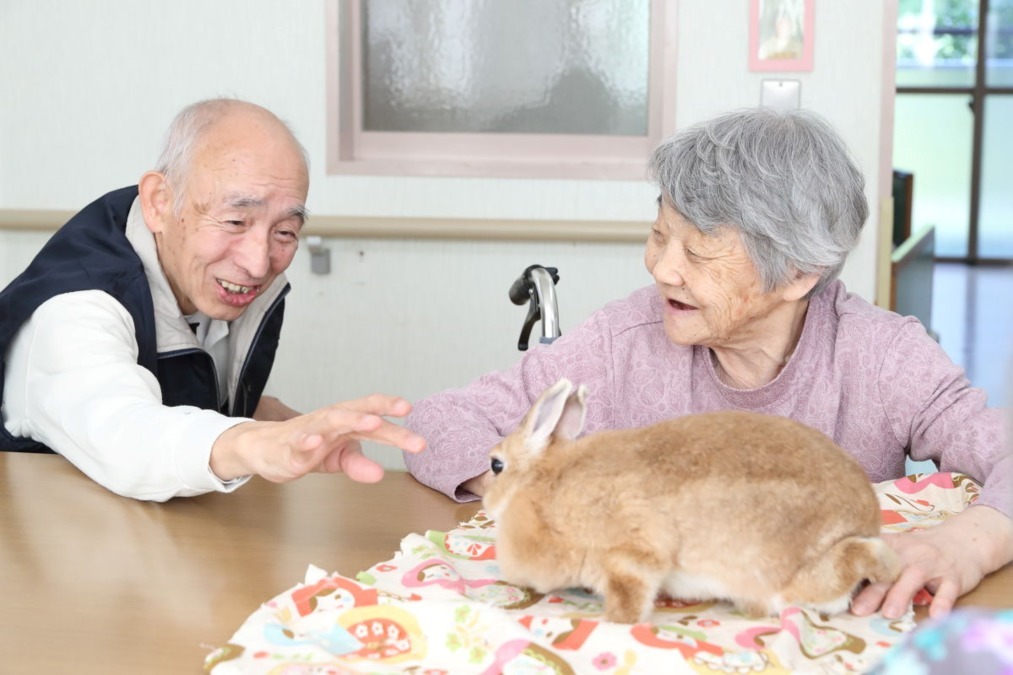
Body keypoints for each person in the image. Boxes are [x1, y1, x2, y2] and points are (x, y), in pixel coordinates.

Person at [403, 107, 1012, 621]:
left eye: (697, 252)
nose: (662, 268)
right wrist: (524, 489)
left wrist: (969, 542)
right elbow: (434, 422)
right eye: (658, 234)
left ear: (799, 274)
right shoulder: (625, 342)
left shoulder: (882, 358)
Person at [0, 98, 424, 500]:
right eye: (236, 220)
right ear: (159, 202)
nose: (258, 263)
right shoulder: (74, 309)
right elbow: (126, 436)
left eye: (285, 232)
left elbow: (193, 386)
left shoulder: (211, 278)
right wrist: (253, 444)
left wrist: (292, 428)